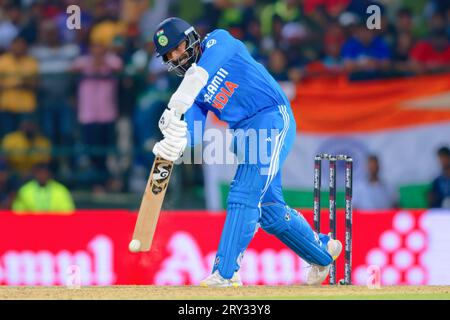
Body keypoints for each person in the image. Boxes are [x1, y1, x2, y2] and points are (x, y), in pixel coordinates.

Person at [150, 17, 341, 287]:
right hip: (246, 134)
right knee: (270, 212)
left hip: (272, 118)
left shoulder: (219, 40)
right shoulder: (192, 92)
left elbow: (201, 73)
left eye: (178, 47)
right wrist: (174, 142)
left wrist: (176, 104)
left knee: (243, 192)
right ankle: (321, 253)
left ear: (191, 37)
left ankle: (225, 274)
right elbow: (192, 136)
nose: (177, 57)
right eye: (170, 55)